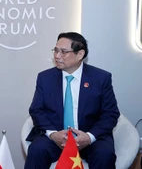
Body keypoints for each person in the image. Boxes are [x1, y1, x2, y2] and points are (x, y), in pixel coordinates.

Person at [24, 32, 120, 169]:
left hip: (90, 137)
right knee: (37, 150)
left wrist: (89, 137)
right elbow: (36, 110)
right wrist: (53, 134)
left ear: (80, 54)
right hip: (56, 137)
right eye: (56, 50)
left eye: (64, 52)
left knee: (104, 154)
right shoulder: (45, 78)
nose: (57, 56)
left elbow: (110, 114)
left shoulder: (100, 78)